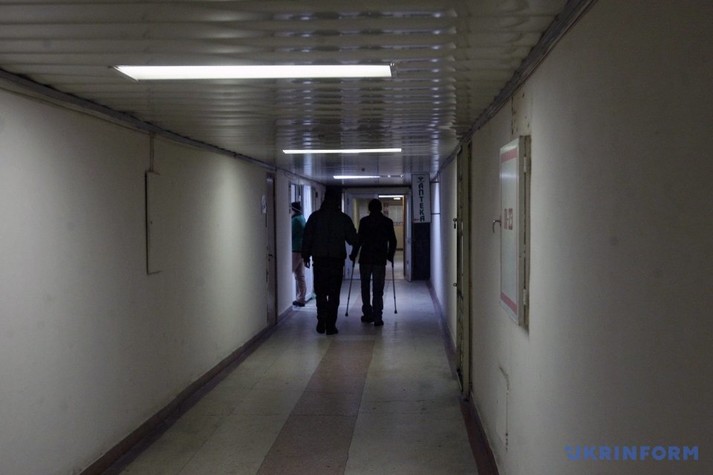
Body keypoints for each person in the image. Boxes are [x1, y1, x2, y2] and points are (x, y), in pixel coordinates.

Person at [301, 187, 357, 335]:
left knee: (320, 293)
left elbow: (307, 237)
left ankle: (321, 321)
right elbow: (353, 239)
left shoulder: (315, 217)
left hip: (319, 261)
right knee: (333, 294)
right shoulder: (343, 219)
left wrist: (306, 256)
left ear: (324, 199)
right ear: (337, 201)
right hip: (336, 262)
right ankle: (331, 325)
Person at [349, 199, 397, 327]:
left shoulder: (364, 221)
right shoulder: (387, 222)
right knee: (378, 289)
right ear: (380, 208)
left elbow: (359, 240)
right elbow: (393, 241)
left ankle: (367, 314)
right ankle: (377, 317)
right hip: (379, 260)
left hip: (365, 259)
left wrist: (353, 254)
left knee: (365, 287)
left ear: (369, 209)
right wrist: (390, 255)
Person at [291, 201, 307, 307]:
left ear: (293, 210)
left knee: (288, 272)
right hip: (302, 250)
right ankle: (301, 299)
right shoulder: (302, 218)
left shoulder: (295, 220)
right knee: (300, 275)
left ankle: (284, 299)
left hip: (295, 250)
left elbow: (289, 234)